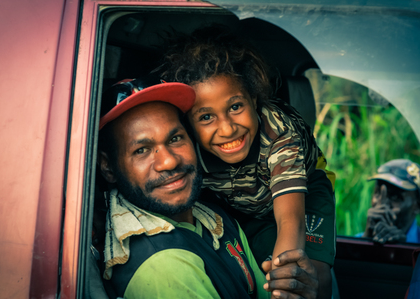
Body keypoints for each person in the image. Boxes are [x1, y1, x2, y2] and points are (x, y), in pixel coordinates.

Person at [97, 76, 319, 299]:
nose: (169, 162)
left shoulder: (213, 218)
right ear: (108, 168)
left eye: (175, 138)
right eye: (142, 150)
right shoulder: (164, 265)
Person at [159, 25, 336, 298]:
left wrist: (286, 277)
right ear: (189, 123)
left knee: (311, 273)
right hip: (243, 202)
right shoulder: (188, 148)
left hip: (303, 195)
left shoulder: (278, 133)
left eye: (235, 107)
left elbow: (291, 220)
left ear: (254, 100)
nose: (227, 129)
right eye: (206, 117)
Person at [359, 159, 420, 244]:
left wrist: (403, 251)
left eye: (395, 197)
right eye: (377, 193)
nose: (382, 203)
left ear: (417, 205)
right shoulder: (358, 239)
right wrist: (366, 242)